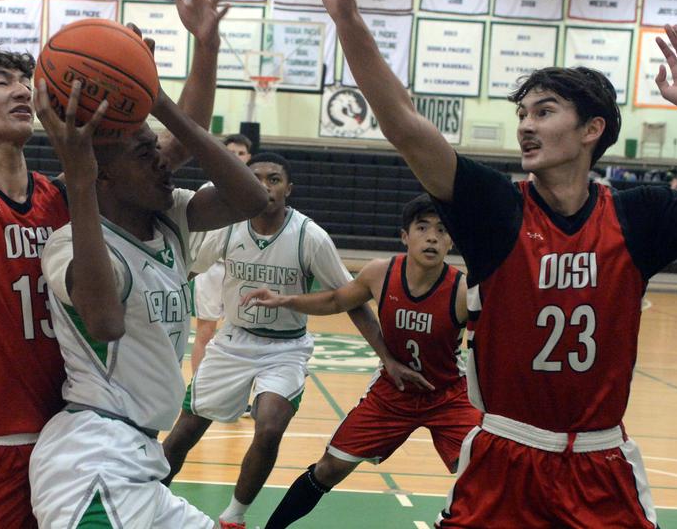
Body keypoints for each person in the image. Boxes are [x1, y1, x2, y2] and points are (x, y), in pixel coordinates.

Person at [316, 0, 677, 526]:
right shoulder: (495, 208)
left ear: (591, 129)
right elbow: (404, 125)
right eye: (522, 114)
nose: (525, 125)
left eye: (544, 112)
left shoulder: (639, 215)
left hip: (601, 460)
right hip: (505, 453)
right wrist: (349, 20)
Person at [0, 0, 226, 524]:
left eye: (25, 79)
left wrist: (202, 53)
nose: (21, 89)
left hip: (70, 441)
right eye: (1, 82)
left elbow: (171, 151)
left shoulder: (70, 199)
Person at [28, 25, 267, 529]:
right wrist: (80, 176)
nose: (164, 163)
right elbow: (105, 321)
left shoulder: (171, 220)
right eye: (145, 154)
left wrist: (159, 103)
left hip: (139, 461)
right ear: (103, 174)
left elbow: (252, 199)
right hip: (94, 464)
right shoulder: (71, 244)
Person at [161, 153, 384, 529]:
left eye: (275, 179)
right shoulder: (227, 228)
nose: (265, 185)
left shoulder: (309, 236)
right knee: (185, 430)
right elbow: (183, 268)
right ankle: (147, 494)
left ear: (289, 188)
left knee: (269, 426)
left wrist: (386, 356)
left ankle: (234, 516)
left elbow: (352, 297)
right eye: (257, 178)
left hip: (285, 348)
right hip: (233, 341)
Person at [242, 194, 482, 529]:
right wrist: (286, 300)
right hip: (392, 393)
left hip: (448, 396)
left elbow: (492, 344)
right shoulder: (380, 273)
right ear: (404, 236)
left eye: (441, 231)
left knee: (483, 469)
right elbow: (337, 299)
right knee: (328, 468)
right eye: (423, 228)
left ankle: (450, 520)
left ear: (450, 240)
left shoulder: (462, 289)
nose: (432, 237)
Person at [190, 134, 253, 374]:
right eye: (231, 152)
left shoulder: (256, 192)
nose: (236, 157)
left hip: (241, 270)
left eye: (241, 153)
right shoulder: (207, 190)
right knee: (205, 331)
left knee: (239, 334)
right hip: (210, 268)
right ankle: (197, 387)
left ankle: (232, 388)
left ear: (248, 157)